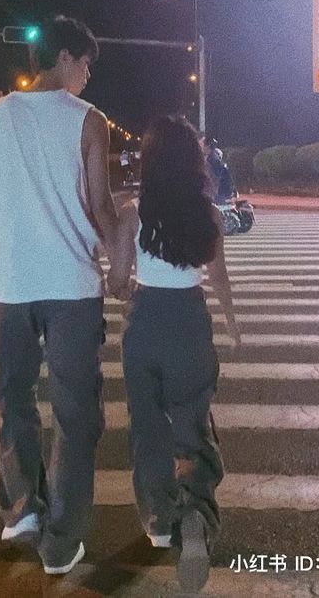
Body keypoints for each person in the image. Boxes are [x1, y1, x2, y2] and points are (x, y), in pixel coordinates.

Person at [0, 15, 127, 575]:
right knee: (76, 414)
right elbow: (101, 207)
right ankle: (61, 540)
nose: (87, 76)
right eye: (85, 65)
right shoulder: (89, 121)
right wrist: (126, 263)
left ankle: (24, 505)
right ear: (63, 59)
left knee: (14, 397)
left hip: (14, 287)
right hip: (74, 287)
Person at [115, 116, 241, 592]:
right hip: (190, 321)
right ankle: (196, 517)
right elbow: (219, 278)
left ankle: (158, 520)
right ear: (195, 160)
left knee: (147, 426)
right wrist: (232, 325)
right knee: (192, 426)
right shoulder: (207, 213)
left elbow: (118, 277)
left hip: (145, 321)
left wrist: (122, 289)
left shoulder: (133, 210)